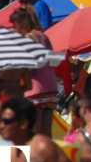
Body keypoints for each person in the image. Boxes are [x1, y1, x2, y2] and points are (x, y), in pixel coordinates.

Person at [0, 97, 82, 162]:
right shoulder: (11, 154)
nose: (1, 126)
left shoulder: (43, 147)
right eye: (0, 121)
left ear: (23, 124)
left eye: (6, 122)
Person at [11, 8, 57, 136]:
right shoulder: (44, 36)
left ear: (22, 23)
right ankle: (48, 155)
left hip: (34, 90)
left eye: (15, 25)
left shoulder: (28, 38)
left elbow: (27, 65)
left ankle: (35, 156)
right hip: (50, 87)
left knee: (34, 133)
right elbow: (53, 61)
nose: (15, 29)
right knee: (47, 133)